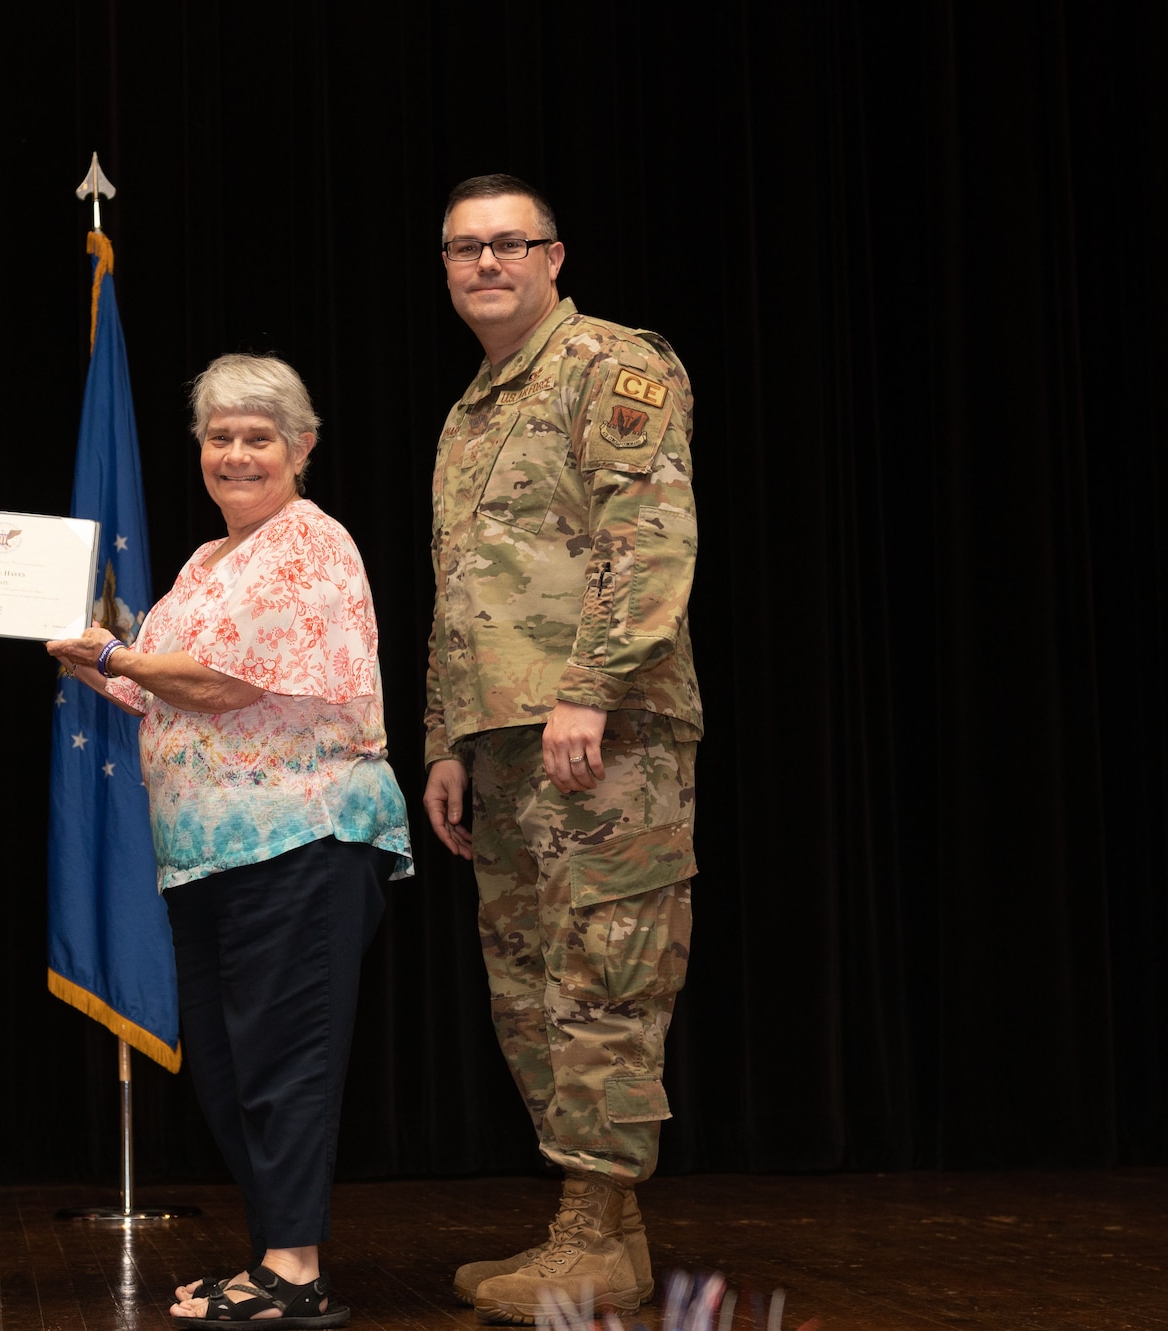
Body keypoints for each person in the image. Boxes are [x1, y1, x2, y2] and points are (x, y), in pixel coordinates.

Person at [47, 354, 412, 1330]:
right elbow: (151, 683)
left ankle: (295, 1269)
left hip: (300, 840)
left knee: (283, 1057)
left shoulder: (309, 544)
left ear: (300, 445)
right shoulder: (208, 561)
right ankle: (271, 1258)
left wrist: (115, 652)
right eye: (220, 435)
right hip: (207, 855)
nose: (237, 452)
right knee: (226, 1062)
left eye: (259, 435)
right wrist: (83, 653)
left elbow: (218, 683)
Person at [422, 174, 702, 1320]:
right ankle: (604, 1241)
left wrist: (588, 688)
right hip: (501, 738)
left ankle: (589, 1229)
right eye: (462, 250)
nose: (484, 265)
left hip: (604, 730)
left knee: (603, 973)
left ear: (551, 256)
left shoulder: (609, 365)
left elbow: (645, 535)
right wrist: (444, 734)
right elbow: (459, 593)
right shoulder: (473, 406)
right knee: (532, 990)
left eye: (507, 245)